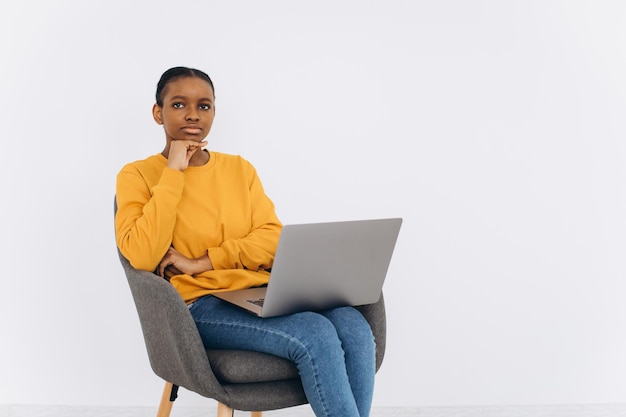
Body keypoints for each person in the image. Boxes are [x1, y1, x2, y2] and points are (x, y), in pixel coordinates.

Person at [115, 66, 376, 417]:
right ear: (157, 112)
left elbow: (272, 239)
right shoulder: (137, 175)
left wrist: (203, 261)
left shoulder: (240, 170)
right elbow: (142, 256)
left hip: (257, 292)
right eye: (179, 105)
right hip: (197, 306)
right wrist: (174, 172)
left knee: (354, 325)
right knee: (316, 334)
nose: (193, 114)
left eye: (204, 106)